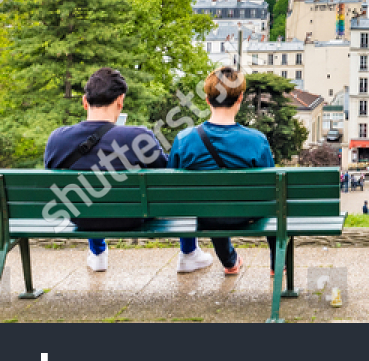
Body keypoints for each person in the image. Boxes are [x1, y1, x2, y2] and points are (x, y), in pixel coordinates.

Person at [43, 67, 168, 273]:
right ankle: (190, 252)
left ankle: (98, 252)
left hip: (81, 217)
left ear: (85, 101)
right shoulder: (138, 137)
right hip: (133, 217)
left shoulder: (57, 139)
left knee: (86, 191)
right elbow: (166, 176)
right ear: (120, 101)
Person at [167, 65, 276, 277]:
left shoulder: (184, 139)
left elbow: (171, 185)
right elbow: (272, 189)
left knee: (212, 202)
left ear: (207, 100)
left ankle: (230, 261)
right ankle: (277, 264)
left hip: (204, 215)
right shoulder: (256, 140)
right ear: (240, 99)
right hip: (247, 214)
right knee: (273, 205)